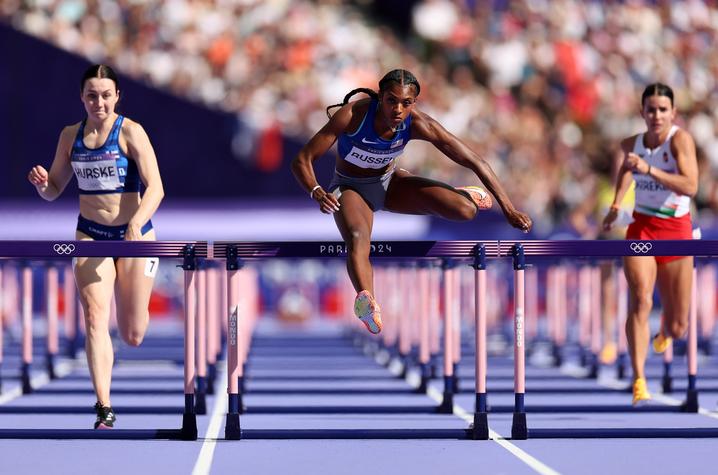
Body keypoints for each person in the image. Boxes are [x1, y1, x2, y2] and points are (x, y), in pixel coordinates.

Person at [291, 69, 532, 334]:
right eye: (392, 100)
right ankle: (367, 302)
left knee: (466, 211)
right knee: (359, 237)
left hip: (389, 185)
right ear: (380, 97)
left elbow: (475, 160)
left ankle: (462, 195)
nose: (398, 109)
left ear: (414, 103)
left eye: (406, 103)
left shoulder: (418, 123)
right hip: (350, 189)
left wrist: (508, 208)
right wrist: (315, 190)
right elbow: (302, 159)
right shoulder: (352, 115)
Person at [27, 64, 164, 428]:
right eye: (92, 95)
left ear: (117, 96)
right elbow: (55, 189)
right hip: (91, 235)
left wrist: (135, 221)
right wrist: (43, 185)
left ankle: (132, 324)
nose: (98, 102)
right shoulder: (70, 136)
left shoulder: (131, 132)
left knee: (133, 334)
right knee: (93, 316)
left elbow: (156, 188)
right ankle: (104, 405)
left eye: (105, 95)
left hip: (135, 236)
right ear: (82, 98)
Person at [603, 83, 698, 406]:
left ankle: (664, 334)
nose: (656, 115)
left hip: (677, 231)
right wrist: (616, 205)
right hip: (642, 229)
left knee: (679, 325)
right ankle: (639, 377)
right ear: (642, 112)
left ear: (673, 113)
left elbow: (691, 185)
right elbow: (627, 172)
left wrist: (650, 169)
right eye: (651, 109)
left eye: (662, 109)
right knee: (641, 298)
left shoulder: (681, 141)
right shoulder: (631, 144)